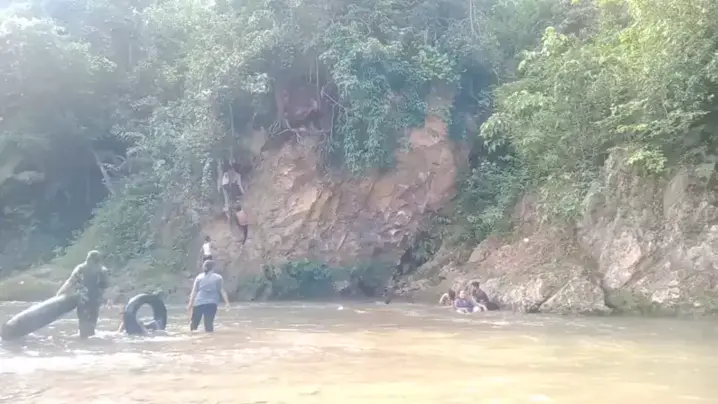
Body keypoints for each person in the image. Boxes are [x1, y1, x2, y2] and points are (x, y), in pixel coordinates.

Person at [56, 250, 110, 339]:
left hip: (93, 301)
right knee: (84, 324)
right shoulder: (81, 269)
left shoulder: (102, 271)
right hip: (84, 300)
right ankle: (86, 340)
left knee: (91, 323)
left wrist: (107, 299)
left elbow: (105, 287)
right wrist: (60, 293)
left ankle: (88, 340)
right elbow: (70, 282)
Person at [187, 260, 230, 332]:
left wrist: (190, 304)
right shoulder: (218, 278)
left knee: (194, 325)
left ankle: (193, 337)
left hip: (199, 303)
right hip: (212, 303)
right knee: (209, 324)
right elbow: (222, 290)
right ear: (213, 268)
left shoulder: (199, 277)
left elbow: (194, 291)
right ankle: (210, 337)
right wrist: (227, 303)